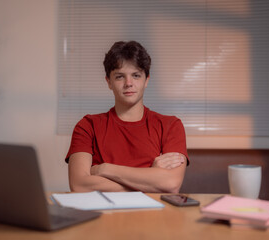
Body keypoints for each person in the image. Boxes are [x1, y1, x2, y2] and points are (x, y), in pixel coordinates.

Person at [65, 41, 188, 193]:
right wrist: (151, 180)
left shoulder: (170, 125)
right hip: (103, 214)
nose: (128, 83)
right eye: (119, 77)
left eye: (136, 75)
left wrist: (104, 169)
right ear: (109, 82)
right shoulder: (87, 126)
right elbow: (79, 185)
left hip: (153, 215)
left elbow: (171, 183)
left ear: (146, 80)